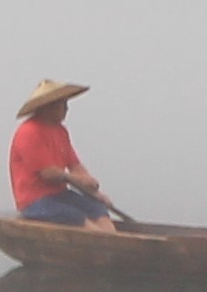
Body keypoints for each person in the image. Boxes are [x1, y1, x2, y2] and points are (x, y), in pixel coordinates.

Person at [7, 78, 125, 226]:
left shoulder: (61, 131)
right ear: (47, 106)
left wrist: (94, 191)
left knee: (97, 209)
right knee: (75, 216)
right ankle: (99, 241)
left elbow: (75, 165)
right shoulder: (29, 132)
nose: (66, 109)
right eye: (62, 104)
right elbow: (49, 174)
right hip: (35, 201)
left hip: (60, 195)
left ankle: (111, 240)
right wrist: (78, 180)